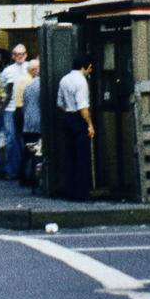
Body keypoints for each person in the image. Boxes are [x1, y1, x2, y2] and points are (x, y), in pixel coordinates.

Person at [57, 53, 94, 201]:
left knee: (70, 156)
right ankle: (81, 192)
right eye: (89, 68)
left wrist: (70, 112)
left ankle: (71, 190)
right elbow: (83, 108)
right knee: (82, 156)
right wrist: (90, 124)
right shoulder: (82, 82)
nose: (90, 71)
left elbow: (60, 103)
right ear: (83, 66)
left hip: (68, 118)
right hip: (79, 120)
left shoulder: (64, 79)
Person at [0, 43, 29, 180]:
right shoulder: (8, 71)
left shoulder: (31, 67)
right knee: (11, 138)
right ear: (13, 55)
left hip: (25, 107)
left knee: (24, 139)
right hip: (10, 108)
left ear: (26, 55)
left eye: (22, 54)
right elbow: (4, 91)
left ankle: (24, 169)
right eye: (16, 54)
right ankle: (12, 170)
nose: (19, 57)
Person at [18, 58, 42, 188]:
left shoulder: (28, 87)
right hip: (38, 123)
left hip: (27, 122)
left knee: (28, 152)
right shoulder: (42, 87)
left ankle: (22, 176)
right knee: (37, 152)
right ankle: (34, 179)